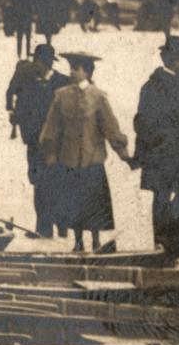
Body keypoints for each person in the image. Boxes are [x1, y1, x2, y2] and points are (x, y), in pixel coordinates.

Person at [38, 53, 132, 253]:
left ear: (87, 72)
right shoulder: (60, 95)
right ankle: (78, 241)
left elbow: (110, 127)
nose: (71, 72)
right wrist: (50, 156)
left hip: (93, 159)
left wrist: (123, 153)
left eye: (76, 68)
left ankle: (96, 240)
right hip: (69, 159)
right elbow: (51, 128)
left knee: (94, 204)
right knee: (74, 203)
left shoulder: (98, 97)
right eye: (71, 67)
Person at [133, 35, 179, 256]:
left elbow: (142, 121)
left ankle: (165, 242)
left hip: (164, 154)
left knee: (164, 199)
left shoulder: (152, 85)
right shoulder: (176, 85)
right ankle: (175, 245)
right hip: (174, 154)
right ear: (176, 60)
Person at [6, 44, 71, 236]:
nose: (35, 66)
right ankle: (44, 227)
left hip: (57, 143)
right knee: (38, 182)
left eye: (39, 62)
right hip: (33, 141)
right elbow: (10, 92)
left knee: (57, 181)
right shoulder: (25, 76)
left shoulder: (61, 82)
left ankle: (61, 223)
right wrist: (12, 111)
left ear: (48, 63)